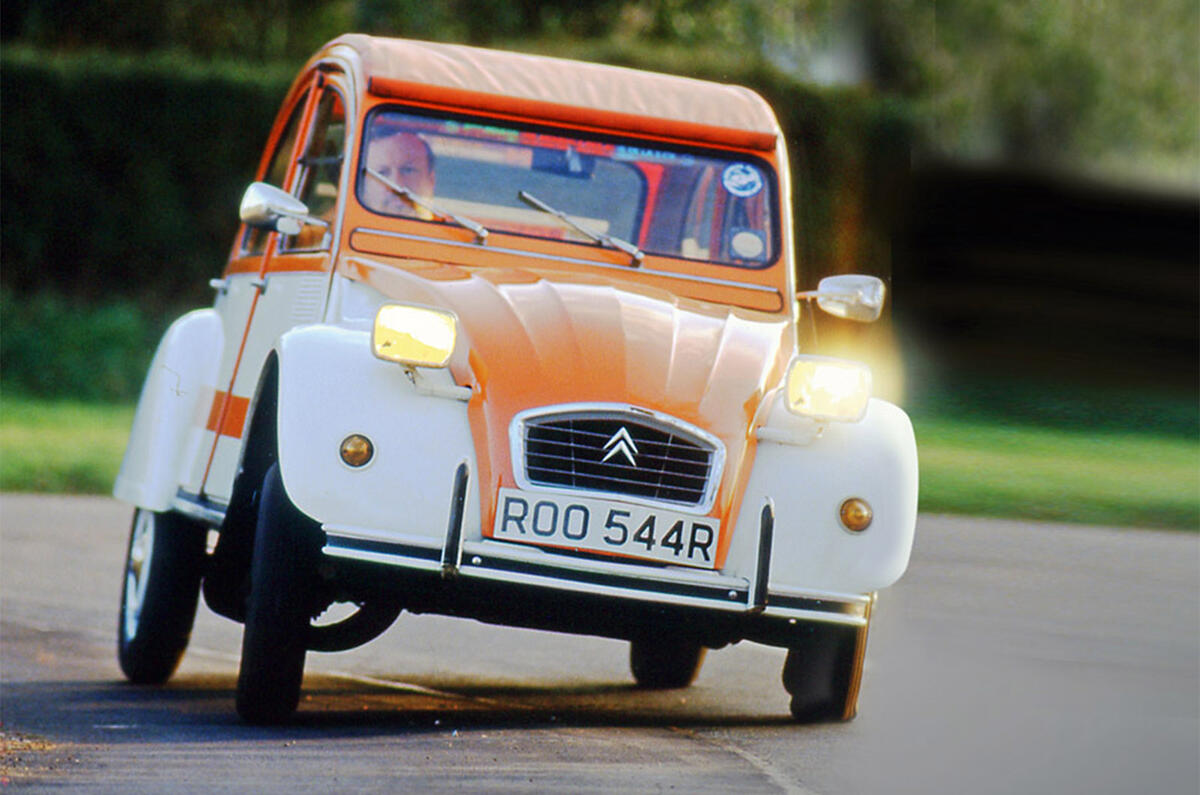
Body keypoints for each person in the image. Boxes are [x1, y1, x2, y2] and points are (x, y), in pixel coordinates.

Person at [363, 130, 436, 218]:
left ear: (431, 180)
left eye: (408, 170)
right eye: (382, 173)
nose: (397, 184)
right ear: (365, 183)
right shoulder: (345, 227)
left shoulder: (450, 230)